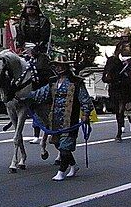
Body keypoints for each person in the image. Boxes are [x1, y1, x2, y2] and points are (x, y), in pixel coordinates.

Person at [26, 53, 94, 181]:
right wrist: (27, 96)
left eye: (61, 66)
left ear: (66, 67)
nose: (58, 68)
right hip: (54, 119)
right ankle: (73, 166)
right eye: (56, 66)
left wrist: (85, 113)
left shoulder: (76, 82)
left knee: (65, 146)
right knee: (57, 143)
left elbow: (85, 99)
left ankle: (61, 171)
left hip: (69, 119)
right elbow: (41, 94)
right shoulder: (53, 82)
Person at [14, 0, 53, 143]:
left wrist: (35, 50)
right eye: (28, 7)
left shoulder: (43, 21)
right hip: (24, 48)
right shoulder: (22, 22)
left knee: (41, 68)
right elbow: (19, 37)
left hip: (39, 50)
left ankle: (43, 91)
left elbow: (45, 38)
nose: (30, 10)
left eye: (32, 7)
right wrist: (21, 47)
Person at [103, 32, 131, 141]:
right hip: (120, 61)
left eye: (126, 36)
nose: (124, 38)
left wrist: (129, 60)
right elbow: (116, 53)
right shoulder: (119, 44)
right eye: (123, 36)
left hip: (130, 62)